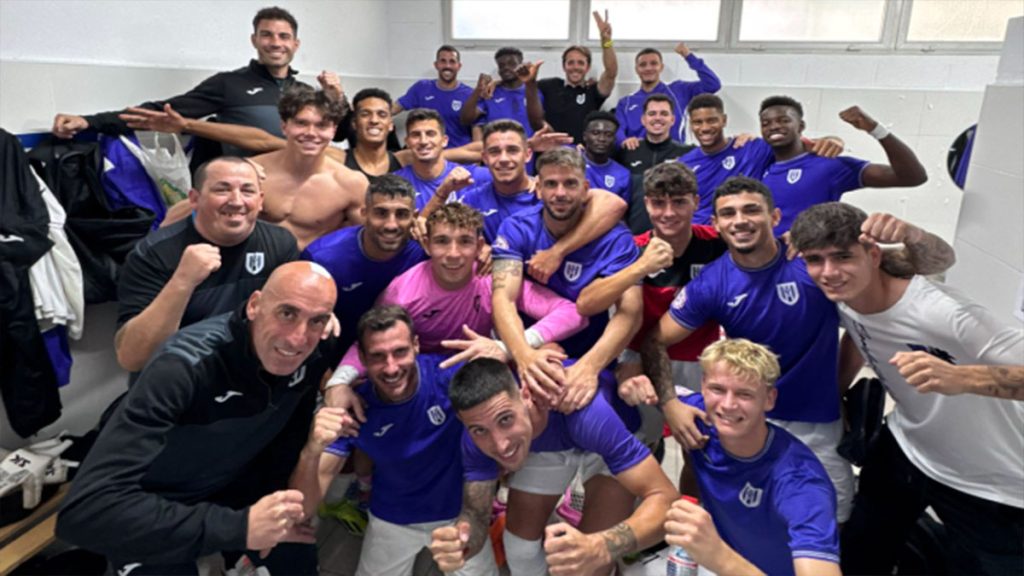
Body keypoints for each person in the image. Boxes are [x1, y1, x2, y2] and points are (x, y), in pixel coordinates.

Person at [643, 177, 956, 525]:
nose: (740, 220)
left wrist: (911, 235)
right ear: (715, 224)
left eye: (751, 210)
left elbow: (936, 263)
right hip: (751, 418)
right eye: (727, 213)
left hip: (819, 423)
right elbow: (654, 340)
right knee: (748, 516)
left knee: (828, 520)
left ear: (775, 217)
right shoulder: (711, 284)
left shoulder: (815, 263)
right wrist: (669, 403)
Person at [57, 262, 348, 576]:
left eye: (317, 320)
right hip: (152, 500)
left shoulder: (316, 348)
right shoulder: (183, 366)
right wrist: (240, 528)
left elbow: (284, 446)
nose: (297, 339)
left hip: (233, 486)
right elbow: (84, 514)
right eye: (287, 313)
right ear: (254, 305)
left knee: (296, 560)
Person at [789, 202, 1023, 576]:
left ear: (873, 254)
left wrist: (963, 378)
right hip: (907, 448)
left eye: (843, 257)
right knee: (861, 552)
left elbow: (940, 260)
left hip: (988, 480)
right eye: (815, 260)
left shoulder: (942, 314)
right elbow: (857, 331)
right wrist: (834, 393)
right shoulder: (847, 299)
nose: (829, 272)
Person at [292, 306, 500, 576]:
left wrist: (507, 347)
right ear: (363, 360)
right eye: (378, 357)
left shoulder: (451, 378)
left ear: (416, 346)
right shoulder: (355, 408)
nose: (391, 368)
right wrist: (311, 449)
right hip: (392, 519)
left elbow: (512, 399)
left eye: (400, 352)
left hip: (458, 513)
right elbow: (306, 503)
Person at [430, 358, 678, 576]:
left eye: (505, 419)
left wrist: (603, 545)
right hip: (543, 443)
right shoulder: (478, 435)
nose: (500, 444)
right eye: (480, 430)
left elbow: (666, 499)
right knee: (520, 550)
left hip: (609, 436)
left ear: (526, 395)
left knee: (590, 566)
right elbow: (476, 515)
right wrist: (460, 543)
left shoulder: (588, 413)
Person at [326, 202, 588, 393]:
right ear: (427, 245)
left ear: (479, 245)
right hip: (420, 376)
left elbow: (574, 313)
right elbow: (371, 341)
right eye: (442, 241)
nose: (453, 254)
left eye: (464, 242)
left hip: (480, 368)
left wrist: (509, 346)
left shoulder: (494, 277)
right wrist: (337, 383)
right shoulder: (402, 291)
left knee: (550, 358)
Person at [52, 7, 346, 158]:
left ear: (295, 44)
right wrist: (89, 122)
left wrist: (335, 97)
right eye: (267, 35)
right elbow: (161, 112)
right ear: (254, 40)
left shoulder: (306, 93)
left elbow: (341, 134)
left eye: (283, 37)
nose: (275, 43)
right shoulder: (228, 84)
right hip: (247, 183)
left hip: (302, 181)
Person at [661, 338, 841, 576]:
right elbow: (653, 388)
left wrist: (718, 556)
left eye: (744, 394)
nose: (728, 405)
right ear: (703, 386)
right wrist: (635, 386)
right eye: (717, 389)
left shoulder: (800, 482)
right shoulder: (696, 416)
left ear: (769, 399)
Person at [114, 156, 299, 373]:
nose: (237, 201)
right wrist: (182, 282)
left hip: (248, 377)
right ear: (194, 199)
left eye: (247, 191)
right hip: (179, 379)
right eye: (222, 190)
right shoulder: (154, 253)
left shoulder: (281, 243)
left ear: (260, 200)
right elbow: (133, 358)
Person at [491, 148, 641, 412]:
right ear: (538, 188)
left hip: (591, 353)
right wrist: (524, 355)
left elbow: (630, 311)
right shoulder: (517, 228)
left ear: (585, 189)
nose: (560, 193)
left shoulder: (617, 240)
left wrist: (589, 366)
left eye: (570, 183)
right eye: (551, 184)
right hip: (527, 348)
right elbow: (503, 297)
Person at [423, 119, 626, 245]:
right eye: (495, 152)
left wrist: (559, 251)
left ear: (528, 154)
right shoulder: (472, 199)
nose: (503, 159)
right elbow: (424, 226)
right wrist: (442, 192)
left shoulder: (551, 193)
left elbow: (614, 204)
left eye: (512, 150)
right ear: (484, 158)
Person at [759, 96, 927, 234]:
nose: (774, 127)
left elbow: (912, 177)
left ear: (801, 126)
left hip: (808, 264)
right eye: (766, 123)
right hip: (762, 265)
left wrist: (876, 130)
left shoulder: (828, 165)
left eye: (783, 120)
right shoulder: (757, 166)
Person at [303, 175, 425, 356]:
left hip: (401, 356)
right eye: (381, 213)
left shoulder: (425, 252)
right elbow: (304, 320)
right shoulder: (323, 258)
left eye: (401, 214)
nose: (391, 224)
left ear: (414, 217)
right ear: (364, 213)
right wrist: (319, 366)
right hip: (334, 355)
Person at [680, 93, 845, 225]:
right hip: (701, 235)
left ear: (724, 120)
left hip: (742, 230)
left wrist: (834, 140)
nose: (705, 128)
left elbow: (806, 144)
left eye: (712, 120)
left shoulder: (753, 148)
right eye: (698, 122)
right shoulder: (685, 163)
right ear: (691, 125)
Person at [533, 11, 618, 143]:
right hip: (552, 152)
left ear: (587, 67)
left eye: (580, 63)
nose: (575, 67)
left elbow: (611, 72)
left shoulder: (593, 90)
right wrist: (496, 82)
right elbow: (521, 86)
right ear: (564, 66)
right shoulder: (548, 85)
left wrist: (606, 41)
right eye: (570, 62)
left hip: (583, 153)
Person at [615, 44, 720, 148]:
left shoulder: (679, 90)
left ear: (661, 67)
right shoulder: (626, 102)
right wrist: (625, 141)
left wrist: (688, 56)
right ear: (637, 69)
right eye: (643, 65)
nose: (648, 68)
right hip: (638, 159)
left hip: (674, 158)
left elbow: (713, 85)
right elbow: (618, 130)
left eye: (653, 63)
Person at [615, 94, 692, 234]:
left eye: (664, 113)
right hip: (634, 236)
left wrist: (741, 140)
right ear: (643, 120)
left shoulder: (688, 153)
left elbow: (717, 151)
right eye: (652, 114)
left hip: (674, 235)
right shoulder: (627, 151)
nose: (657, 118)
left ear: (672, 120)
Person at [392, 109, 491, 210]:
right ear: (407, 142)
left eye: (430, 134)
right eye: (416, 135)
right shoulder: (394, 184)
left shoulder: (472, 176)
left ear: (444, 141)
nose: (423, 141)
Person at [392, 45, 475, 149]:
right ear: (436, 65)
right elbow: (393, 108)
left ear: (459, 66)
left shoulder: (470, 95)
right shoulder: (422, 88)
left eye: (452, 61)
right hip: (426, 152)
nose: (447, 65)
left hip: (457, 156)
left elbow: (477, 136)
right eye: (443, 61)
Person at [460, 47, 545, 139]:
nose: (506, 68)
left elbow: (539, 124)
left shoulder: (533, 92)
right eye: (501, 65)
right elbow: (466, 119)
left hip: (526, 149)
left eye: (511, 64)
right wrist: (478, 89)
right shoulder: (490, 93)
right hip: (497, 149)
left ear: (520, 64)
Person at [346, 88, 405, 179]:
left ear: (390, 125)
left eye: (382, 115)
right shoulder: (338, 160)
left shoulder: (406, 161)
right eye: (365, 114)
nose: (374, 120)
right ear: (354, 123)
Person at [580, 111, 631, 202]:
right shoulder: (570, 163)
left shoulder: (623, 175)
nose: (601, 139)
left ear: (615, 139)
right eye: (595, 133)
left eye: (608, 135)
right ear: (585, 136)